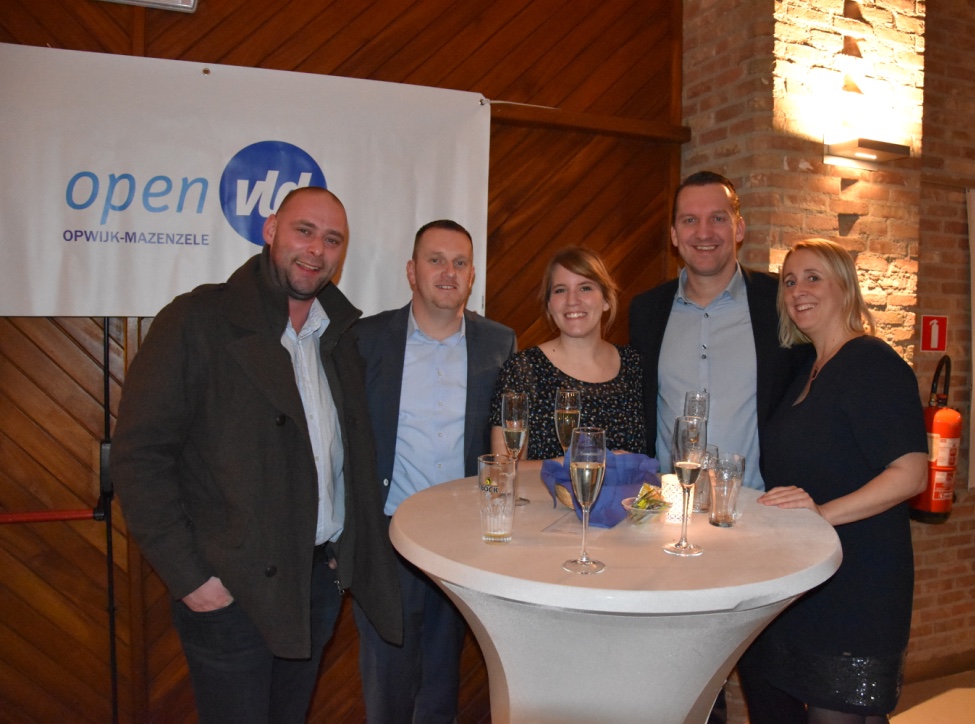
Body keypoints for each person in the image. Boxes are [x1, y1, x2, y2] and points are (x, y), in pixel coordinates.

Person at [111, 186, 402, 723]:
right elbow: (139, 455)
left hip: (314, 584)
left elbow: (348, 456)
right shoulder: (197, 320)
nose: (316, 250)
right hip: (230, 593)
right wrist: (192, 579)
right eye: (303, 231)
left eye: (332, 239)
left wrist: (341, 550)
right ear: (270, 231)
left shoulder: (339, 336)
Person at [739, 238, 927, 723]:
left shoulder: (872, 362)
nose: (798, 290)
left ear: (844, 286)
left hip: (860, 579)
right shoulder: (807, 368)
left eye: (813, 277)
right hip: (814, 576)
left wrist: (822, 513)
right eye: (789, 281)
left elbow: (911, 473)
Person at [352, 219, 516, 724]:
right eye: (436, 260)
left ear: (472, 276)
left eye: (460, 262)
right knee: (388, 687)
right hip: (387, 540)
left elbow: (506, 438)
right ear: (411, 271)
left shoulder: (498, 342)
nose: (449, 272)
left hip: (461, 543)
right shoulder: (366, 339)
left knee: (443, 684)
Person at [628, 170, 807, 486]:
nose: (704, 232)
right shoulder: (646, 311)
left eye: (718, 219)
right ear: (674, 235)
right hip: (671, 502)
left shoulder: (780, 302)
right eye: (690, 220)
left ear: (739, 228)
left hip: (760, 503)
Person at [488, 246, 647, 467]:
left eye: (585, 288)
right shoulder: (523, 369)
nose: (573, 300)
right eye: (560, 290)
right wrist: (587, 462)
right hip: (546, 492)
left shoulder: (634, 365)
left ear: (606, 300)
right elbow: (504, 467)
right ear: (549, 305)